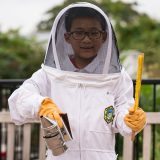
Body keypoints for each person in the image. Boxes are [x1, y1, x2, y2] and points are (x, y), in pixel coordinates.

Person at [8, 2, 146, 160]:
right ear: (66, 37)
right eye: (79, 33)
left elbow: (122, 115)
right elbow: (19, 99)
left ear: (104, 36)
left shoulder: (118, 77)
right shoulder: (49, 75)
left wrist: (130, 120)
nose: (86, 40)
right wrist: (41, 105)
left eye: (94, 33)